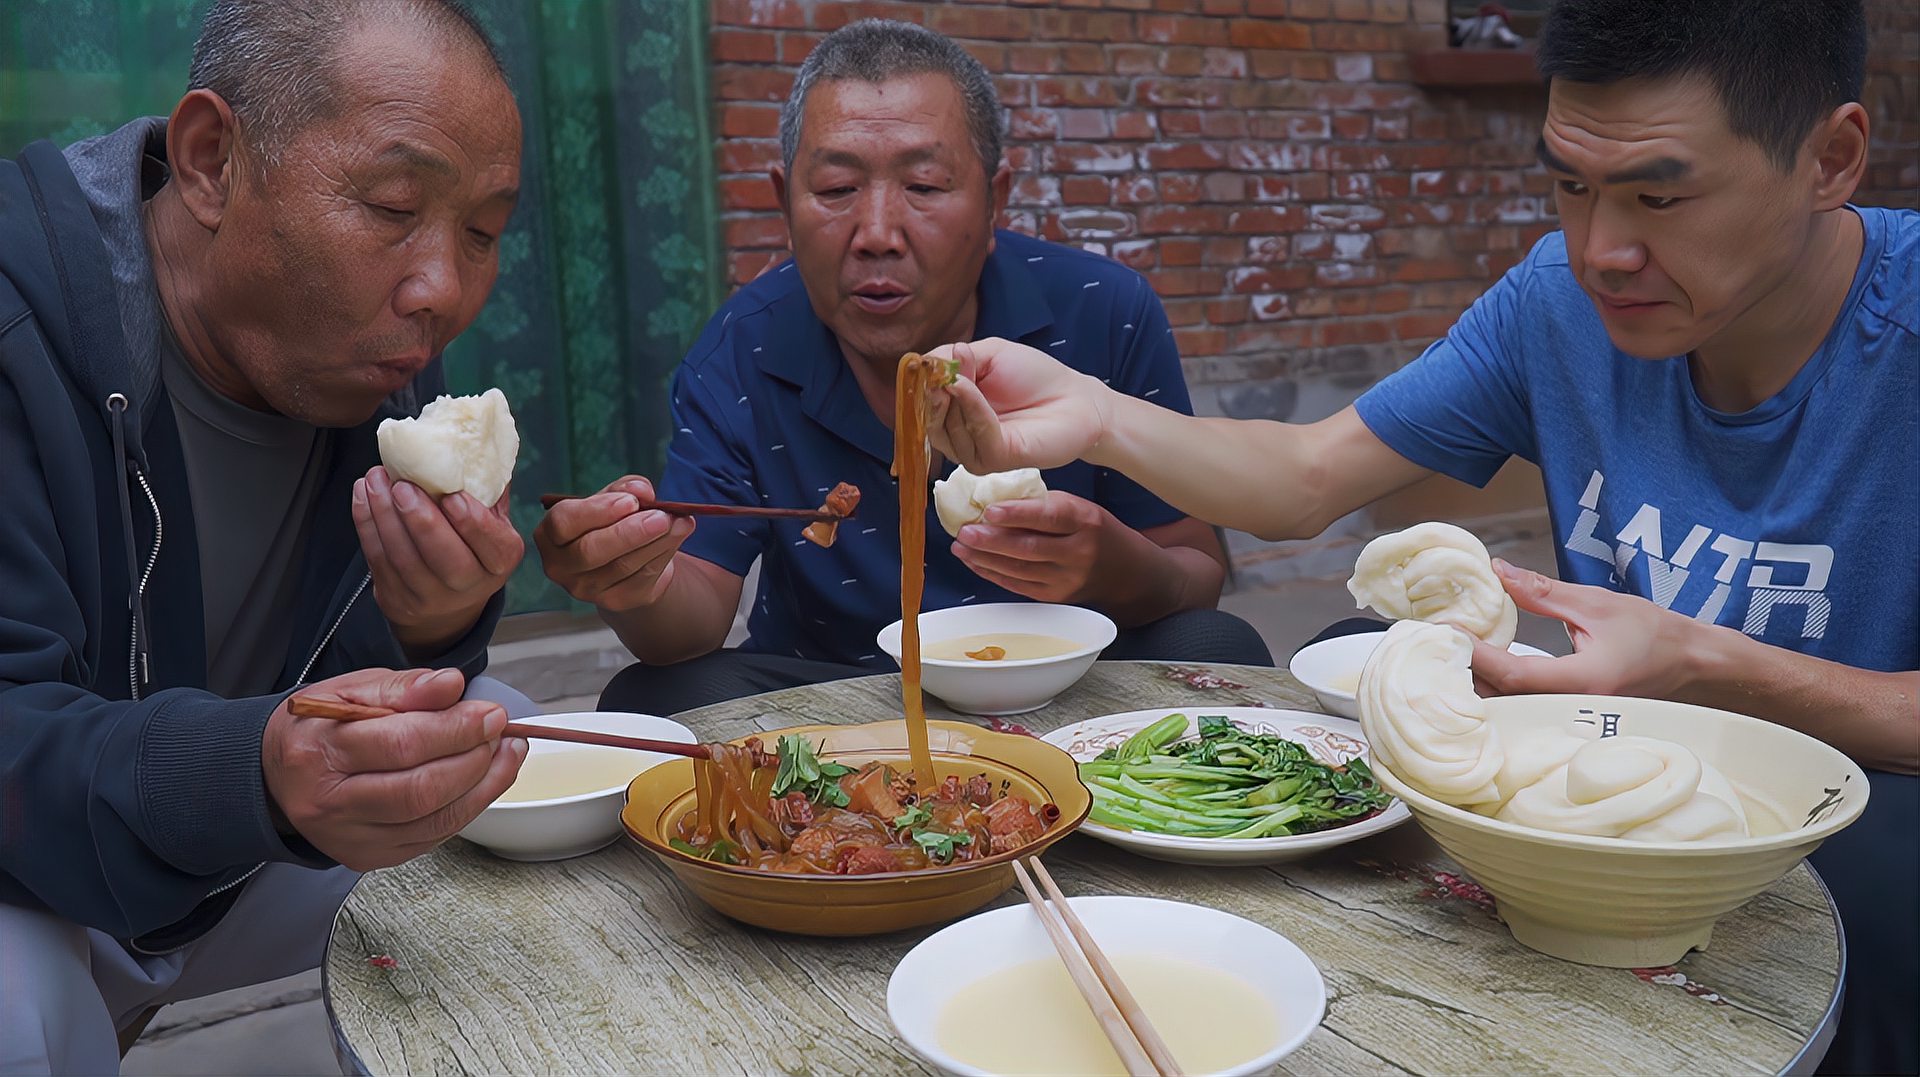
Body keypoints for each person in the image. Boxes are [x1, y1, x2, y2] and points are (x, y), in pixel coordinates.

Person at [923, 2, 1916, 1072]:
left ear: (1831, 157)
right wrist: (1095, 413)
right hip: (1602, 780)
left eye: (1660, 197)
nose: (1600, 250)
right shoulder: (1557, 304)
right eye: (1572, 186)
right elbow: (1305, 479)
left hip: (1858, 798)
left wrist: (1702, 666)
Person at [0, 2, 536, 1071]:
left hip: (230, 855)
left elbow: (339, 709)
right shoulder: (23, 330)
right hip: (34, 878)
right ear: (211, 161)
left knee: (512, 751)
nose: (442, 291)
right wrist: (253, 771)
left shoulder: (373, 353)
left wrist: (431, 630)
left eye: (481, 232)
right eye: (392, 205)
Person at [539, 20, 1270, 718]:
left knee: (1220, 648)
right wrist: (632, 579)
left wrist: (1113, 567)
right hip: (844, 699)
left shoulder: (1101, 310)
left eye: (923, 186)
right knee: (652, 699)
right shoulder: (744, 346)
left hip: (1063, 686)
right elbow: (693, 620)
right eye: (835, 190)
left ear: (995, 201)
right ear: (782, 203)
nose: (878, 234)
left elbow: (1194, 572)